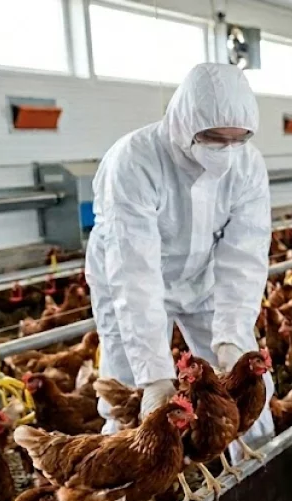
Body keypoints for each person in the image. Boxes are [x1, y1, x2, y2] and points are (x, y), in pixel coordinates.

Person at [85, 63, 274, 455]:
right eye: (214, 138)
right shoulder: (135, 160)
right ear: (186, 124)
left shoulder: (248, 165)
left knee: (245, 388)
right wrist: (155, 376)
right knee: (128, 392)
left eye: (237, 139)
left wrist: (232, 335)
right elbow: (134, 272)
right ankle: (122, 471)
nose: (226, 149)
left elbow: (245, 256)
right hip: (129, 282)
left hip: (202, 279)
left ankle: (257, 464)